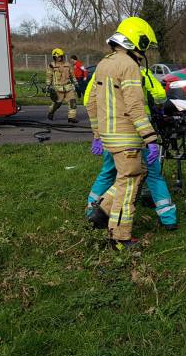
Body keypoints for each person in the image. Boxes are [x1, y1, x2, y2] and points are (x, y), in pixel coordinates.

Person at [85, 17, 161, 249]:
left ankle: (103, 208)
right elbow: (135, 107)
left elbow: (91, 103)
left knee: (129, 177)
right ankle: (120, 238)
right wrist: (150, 138)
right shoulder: (129, 66)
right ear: (138, 40)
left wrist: (98, 134)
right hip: (127, 137)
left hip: (109, 136)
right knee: (128, 185)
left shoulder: (103, 64)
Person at [84, 64, 178, 230]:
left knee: (108, 172)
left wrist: (97, 135)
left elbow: (88, 101)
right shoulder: (141, 71)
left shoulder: (103, 70)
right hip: (140, 130)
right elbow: (160, 95)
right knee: (153, 174)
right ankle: (168, 219)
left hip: (112, 132)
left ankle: (92, 210)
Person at [46, 48, 78, 122]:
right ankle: (51, 112)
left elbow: (72, 76)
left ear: (62, 56)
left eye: (59, 56)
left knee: (72, 102)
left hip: (68, 87)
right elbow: (49, 76)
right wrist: (48, 85)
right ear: (54, 57)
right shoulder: (52, 65)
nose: (58, 58)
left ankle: (71, 118)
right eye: (56, 57)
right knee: (57, 104)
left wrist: (76, 84)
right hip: (58, 88)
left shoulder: (68, 65)